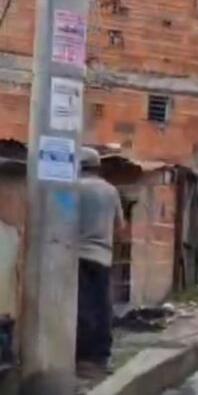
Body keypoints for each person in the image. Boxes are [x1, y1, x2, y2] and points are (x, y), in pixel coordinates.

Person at [75, 147, 126, 377]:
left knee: (82, 306)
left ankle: (83, 359)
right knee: (102, 306)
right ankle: (100, 357)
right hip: (103, 256)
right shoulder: (111, 190)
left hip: (78, 254)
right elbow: (120, 226)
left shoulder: (73, 188)